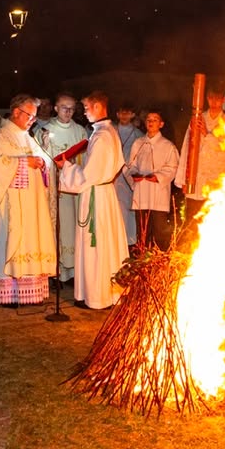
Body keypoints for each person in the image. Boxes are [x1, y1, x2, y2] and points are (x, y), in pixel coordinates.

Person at [0, 94, 57, 305]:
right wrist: (24, 163)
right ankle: (8, 294)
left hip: (31, 206)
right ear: (16, 112)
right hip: (9, 207)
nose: (33, 120)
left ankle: (30, 291)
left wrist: (45, 162)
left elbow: (43, 162)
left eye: (34, 117)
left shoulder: (28, 137)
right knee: (8, 242)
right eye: (30, 115)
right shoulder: (0, 136)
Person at [56, 91, 129, 309]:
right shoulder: (109, 131)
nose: (84, 112)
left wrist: (65, 167)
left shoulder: (101, 136)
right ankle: (105, 293)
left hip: (96, 195)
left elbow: (89, 175)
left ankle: (98, 297)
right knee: (106, 245)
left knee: (95, 246)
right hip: (104, 195)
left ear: (97, 107)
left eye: (87, 108)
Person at [40, 93, 88, 283]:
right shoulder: (44, 130)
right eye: (64, 108)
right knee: (56, 227)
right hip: (55, 189)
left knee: (74, 228)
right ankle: (56, 270)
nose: (68, 112)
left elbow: (87, 158)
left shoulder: (81, 131)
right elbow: (40, 160)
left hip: (74, 190)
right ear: (56, 108)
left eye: (71, 108)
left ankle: (74, 271)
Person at [175, 86, 225, 225]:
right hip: (196, 181)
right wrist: (184, 178)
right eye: (210, 98)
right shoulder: (198, 119)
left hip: (217, 181)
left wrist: (207, 135)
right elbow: (186, 149)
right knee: (193, 224)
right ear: (206, 98)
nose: (214, 102)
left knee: (216, 224)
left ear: (223, 100)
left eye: (217, 99)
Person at [126, 111, 180, 251]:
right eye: (148, 119)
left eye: (155, 120)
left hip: (158, 194)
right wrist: (134, 175)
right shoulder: (138, 143)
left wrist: (158, 177)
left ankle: (160, 262)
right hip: (142, 192)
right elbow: (130, 165)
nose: (151, 122)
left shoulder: (168, 146)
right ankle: (143, 260)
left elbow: (173, 167)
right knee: (143, 230)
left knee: (159, 231)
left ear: (161, 124)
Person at [114, 104, 145, 247]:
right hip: (113, 177)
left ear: (133, 115)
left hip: (128, 177)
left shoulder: (138, 135)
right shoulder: (111, 131)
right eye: (122, 112)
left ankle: (129, 243)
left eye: (128, 113)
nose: (124, 116)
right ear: (117, 114)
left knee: (128, 211)